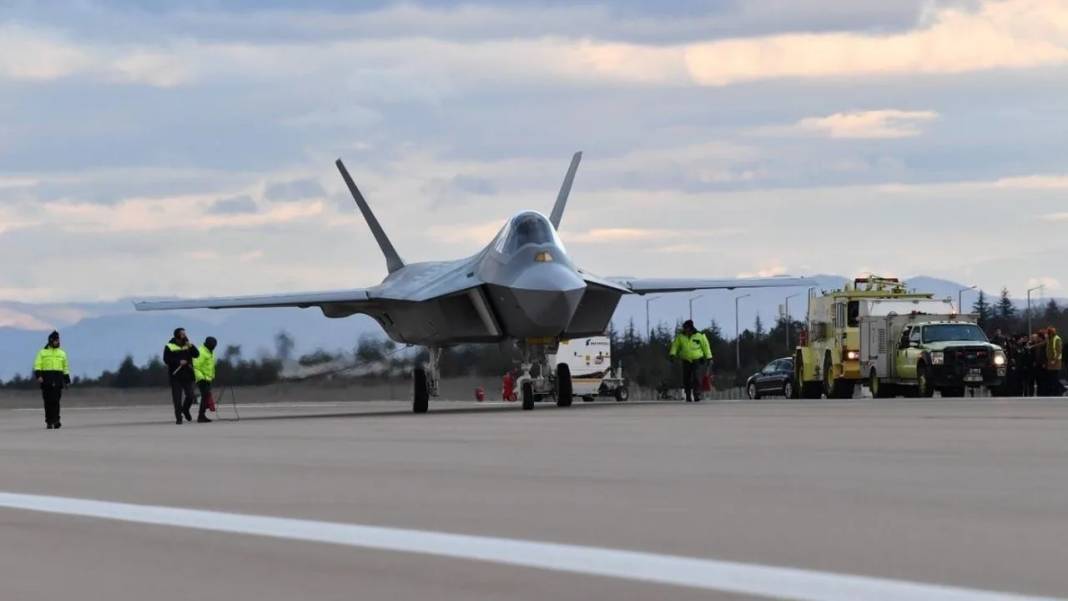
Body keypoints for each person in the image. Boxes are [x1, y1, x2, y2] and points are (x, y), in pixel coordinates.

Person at [34, 331, 70, 429]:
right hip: (46, 380)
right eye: (55, 340)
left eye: (58, 340)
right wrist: (39, 376)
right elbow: (37, 365)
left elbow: (65, 367)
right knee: (48, 401)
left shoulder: (62, 353)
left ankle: (56, 420)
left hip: (58, 380)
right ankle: (49, 421)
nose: (57, 342)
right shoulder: (42, 352)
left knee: (56, 401)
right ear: (51, 341)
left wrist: (67, 380)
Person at [668, 320, 712, 402]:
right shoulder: (680, 337)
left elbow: (706, 347)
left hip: (697, 359)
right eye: (684, 328)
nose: (685, 330)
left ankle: (697, 394)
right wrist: (672, 354)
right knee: (686, 378)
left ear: (691, 328)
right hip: (686, 360)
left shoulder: (700, 336)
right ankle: (688, 394)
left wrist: (709, 357)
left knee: (696, 377)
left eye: (687, 328)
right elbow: (675, 346)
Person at [163, 327, 200, 424]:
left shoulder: (188, 344)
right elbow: (166, 360)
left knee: (191, 396)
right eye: (182, 333)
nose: (184, 335)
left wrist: (190, 346)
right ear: (177, 335)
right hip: (175, 376)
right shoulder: (169, 346)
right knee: (177, 398)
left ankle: (185, 409)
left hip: (187, 375)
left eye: (185, 333)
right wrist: (178, 362)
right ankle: (179, 418)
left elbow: (196, 354)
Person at [193, 336, 218, 423]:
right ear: (208, 344)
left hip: (208, 378)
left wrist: (212, 376)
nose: (214, 346)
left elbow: (210, 366)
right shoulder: (201, 352)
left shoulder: (211, 352)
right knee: (205, 396)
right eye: (212, 345)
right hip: (202, 379)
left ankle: (202, 415)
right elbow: (196, 366)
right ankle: (201, 416)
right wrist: (201, 377)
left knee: (206, 396)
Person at [1046, 327, 1063, 396]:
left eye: (1048, 333)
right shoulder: (1049, 339)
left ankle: (1060, 390)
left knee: (1054, 377)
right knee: (1052, 377)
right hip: (1050, 360)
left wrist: (1054, 360)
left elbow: (1059, 351)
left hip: (1055, 361)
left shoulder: (1057, 339)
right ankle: (1055, 390)